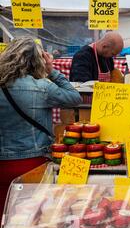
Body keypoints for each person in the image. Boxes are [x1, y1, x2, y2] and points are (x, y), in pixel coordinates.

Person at [0, 37, 82, 215]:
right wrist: (52, 71)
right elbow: (74, 97)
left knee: (3, 218)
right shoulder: (42, 87)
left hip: (2, 163)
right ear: (39, 61)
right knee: (31, 219)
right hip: (33, 162)